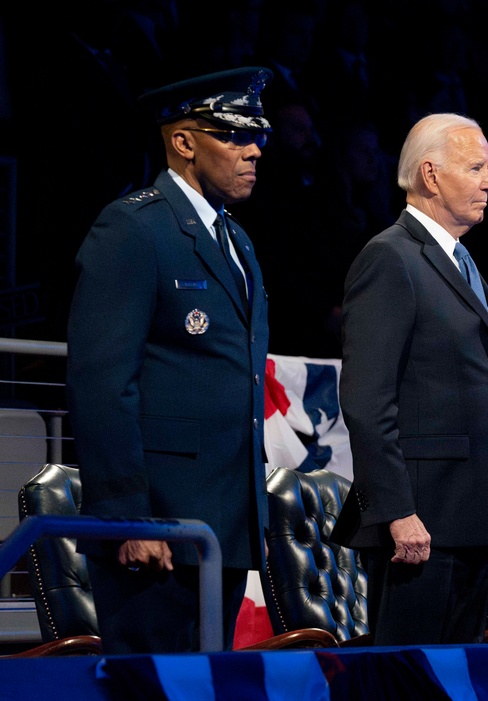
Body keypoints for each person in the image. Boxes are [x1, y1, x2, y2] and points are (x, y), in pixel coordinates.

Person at [65, 67, 273, 653]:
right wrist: (128, 517)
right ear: (184, 143)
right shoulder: (133, 227)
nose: (254, 149)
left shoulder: (237, 239)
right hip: (156, 526)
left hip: (223, 525)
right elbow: (102, 383)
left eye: (259, 135)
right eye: (234, 136)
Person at [331, 112, 488, 645]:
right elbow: (367, 401)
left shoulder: (461, 262)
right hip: (419, 526)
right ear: (431, 175)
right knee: (408, 680)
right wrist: (397, 511)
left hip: (470, 523)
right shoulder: (390, 257)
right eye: (477, 168)